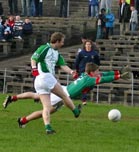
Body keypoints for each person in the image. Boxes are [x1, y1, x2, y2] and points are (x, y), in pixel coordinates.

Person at [3, 63, 131, 128]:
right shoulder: (90, 79)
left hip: (65, 92)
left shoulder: (86, 75)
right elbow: (104, 79)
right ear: (92, 72)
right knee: (40, 100)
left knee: (43, 103)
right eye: (97, 71)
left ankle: (22, 119)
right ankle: (14, 100)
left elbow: (105, 75)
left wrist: (118, 72)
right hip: (64, 95)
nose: (99, 73)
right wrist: (119, 77)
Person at [30, 32, 81, 134]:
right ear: (57, 41)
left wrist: (71, 72)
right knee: (64, 95)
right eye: (62, 42)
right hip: (46, 77)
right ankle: (76, 111)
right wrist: (34, 68)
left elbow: (62, 65)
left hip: (39, 81)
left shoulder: (57, 53)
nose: (63, 44)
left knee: (46, 107)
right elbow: (33, 58)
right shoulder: (44, 48)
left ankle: (48, 127)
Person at [75, 40, 100, 105]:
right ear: (85, 45)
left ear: (91, 45)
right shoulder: (81, 53)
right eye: (87, 44)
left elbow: (98, 62)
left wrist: (96, 70)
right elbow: (77, 62)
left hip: (92, 73)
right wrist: (77, 71)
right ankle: (84, 100)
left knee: (91, 86)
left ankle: (82, 95)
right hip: (83, 72)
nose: (88, 45)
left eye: (89, 44)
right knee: (84, 86)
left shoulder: (94, 53)